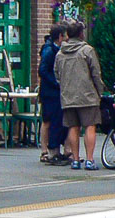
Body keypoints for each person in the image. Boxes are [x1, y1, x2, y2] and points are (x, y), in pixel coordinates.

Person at [54, 20, 104, 171]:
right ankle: (89, 160)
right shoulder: (87, 51)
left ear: (68, 34)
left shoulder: (60, 53)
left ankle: (75, 160)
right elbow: (96, 73)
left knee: (73, 127)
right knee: (90, 126)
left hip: (68, 96)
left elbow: (57, 75)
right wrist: (99, 92)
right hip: (87, 95)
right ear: (81, 34)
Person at [38, 24, 70, 165]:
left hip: (53, 91)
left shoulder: (56, 49)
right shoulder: (49, 50)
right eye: (65, 35)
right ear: (60, 36)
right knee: (47, 120)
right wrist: (56, 83)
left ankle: (58, 149)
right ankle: (45, 151)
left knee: (55, 120)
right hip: (49, 92)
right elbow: (43, 70)